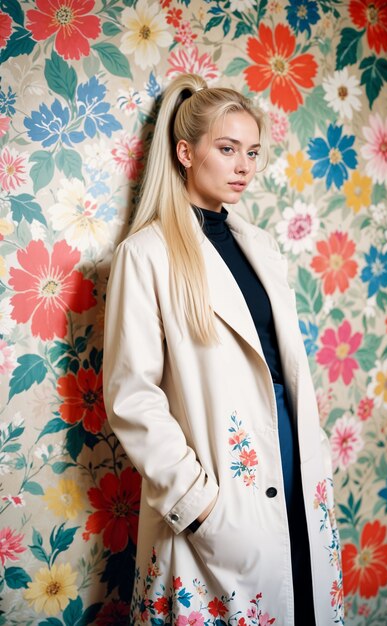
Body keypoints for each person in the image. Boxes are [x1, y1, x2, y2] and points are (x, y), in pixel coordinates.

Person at [103, 73, 343, 626]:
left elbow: (285, 367)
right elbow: (131, 395)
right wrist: (200, 507)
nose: (244, 167)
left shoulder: (261, 244)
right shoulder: (146, 254)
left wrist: (317, 455)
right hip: (218, 475)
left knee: (301, 603)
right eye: (228, 148)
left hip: (292, 456)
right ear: (186, 153)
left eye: (253, 152)